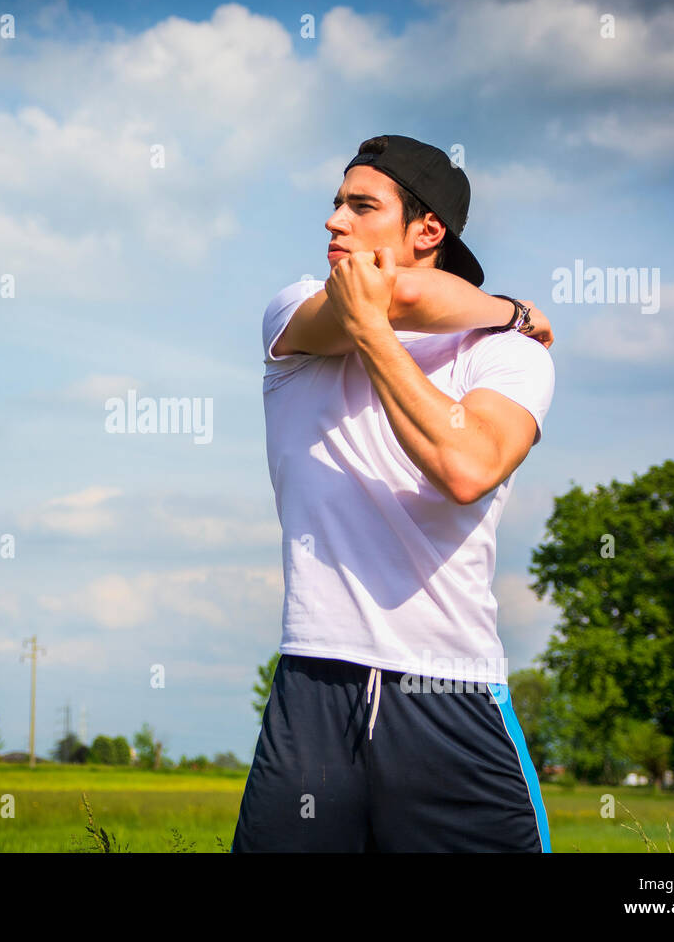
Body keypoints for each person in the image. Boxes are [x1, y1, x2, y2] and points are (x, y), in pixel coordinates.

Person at [233, 134, 555, 852]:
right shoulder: (294, 315)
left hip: (450, 693)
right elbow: (388, 296)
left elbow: (466, 469)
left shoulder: (508, 355)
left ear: (428, 230)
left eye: (361, 206)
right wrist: (509, 305)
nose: (333, 221)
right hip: (313, 686)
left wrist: (387, 334)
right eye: (335, 203)